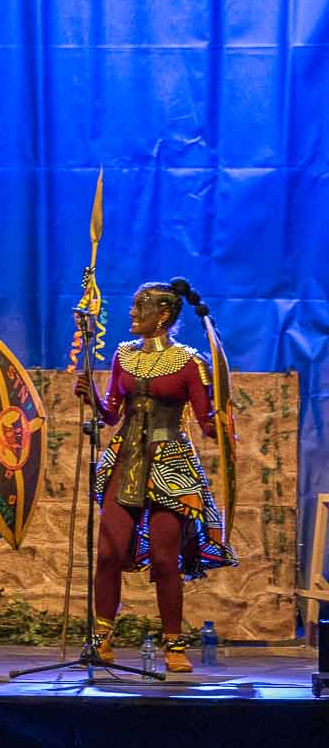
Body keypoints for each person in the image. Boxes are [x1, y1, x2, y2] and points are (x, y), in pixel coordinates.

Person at [77, 281, 236, 672]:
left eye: (138, 307)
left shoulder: (190, 362)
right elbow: (112, 414)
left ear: (162, 315)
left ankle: (173, 645)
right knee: (109, 553)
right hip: (125, 458)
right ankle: (101, 638)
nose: (131, 313)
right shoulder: (123, 355)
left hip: (170, 463)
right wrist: (92, 398)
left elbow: (206, 422)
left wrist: (224, 421)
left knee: (166, 559)